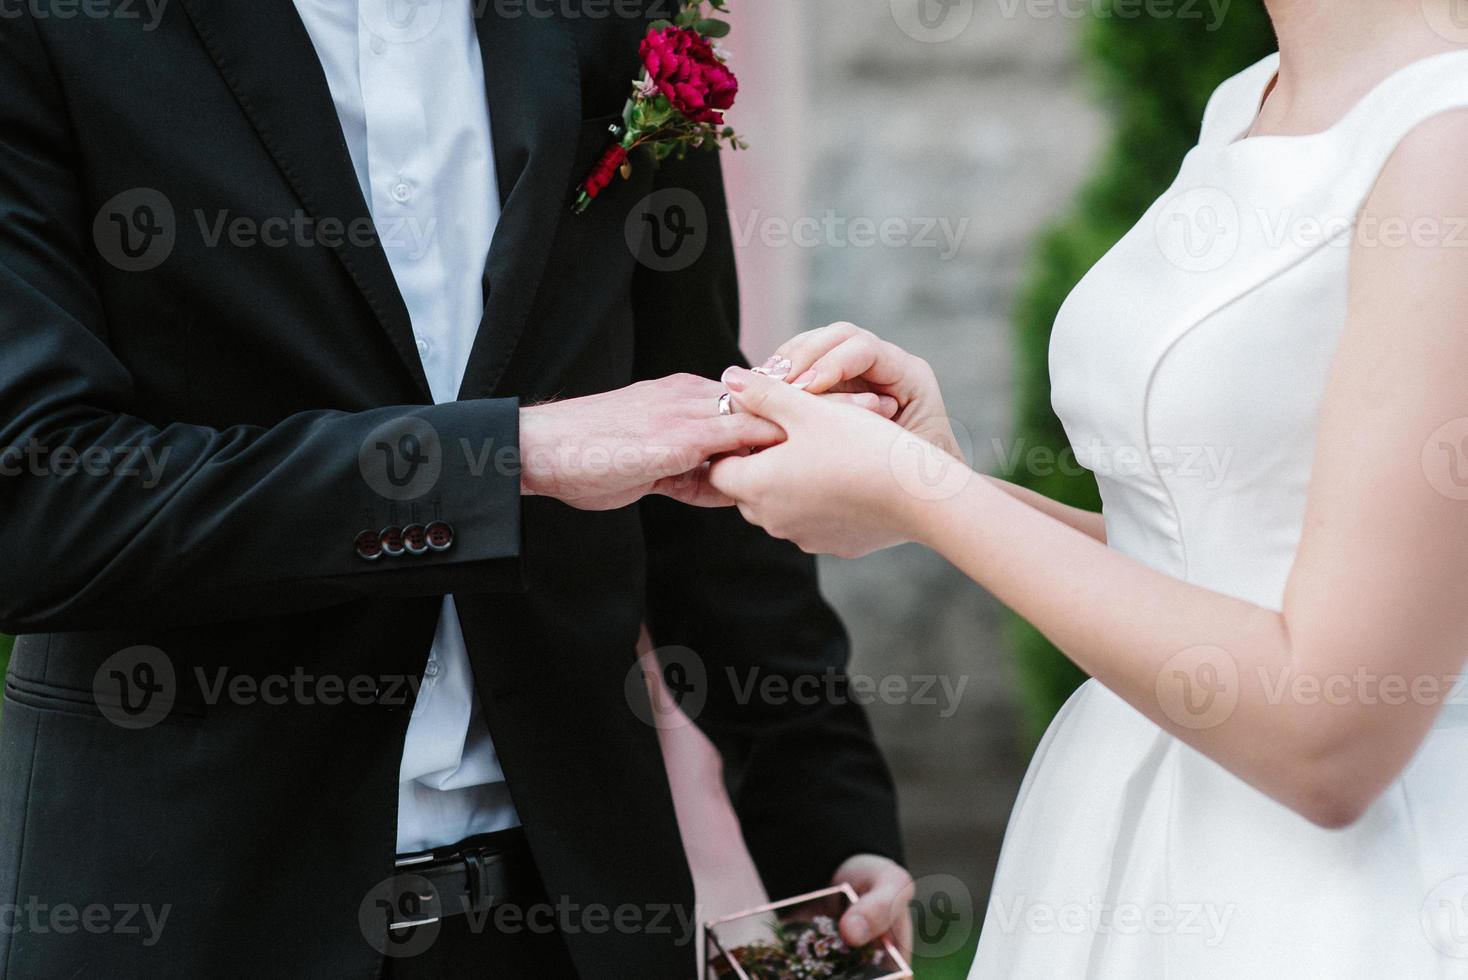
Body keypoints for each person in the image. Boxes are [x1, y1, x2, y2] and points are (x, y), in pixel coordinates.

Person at [0, 3, 911, 976]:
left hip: (574, 919)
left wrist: (827, 821)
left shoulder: (616, 17)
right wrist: (502, 457)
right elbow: (37, 498)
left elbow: (695, 439)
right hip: (192, 913)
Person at [709, 2, 1468, 974]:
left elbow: (1331, 729)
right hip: (1126, 842)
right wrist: (936, 477)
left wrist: (918, 493)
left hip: (1326, 900)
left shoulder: (1446, 144)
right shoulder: (1255, 102)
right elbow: (1206, 559)